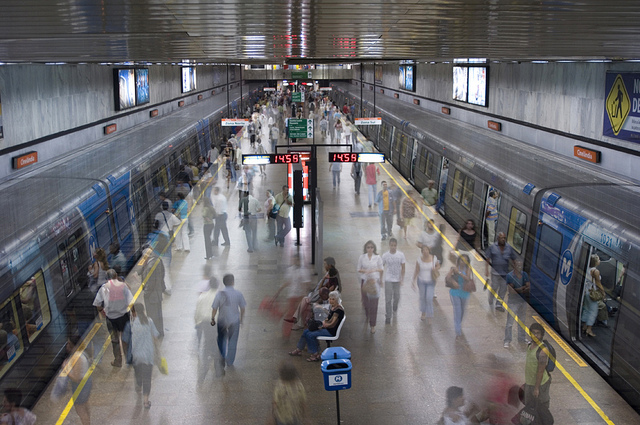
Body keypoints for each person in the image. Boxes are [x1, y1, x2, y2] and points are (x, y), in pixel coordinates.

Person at [288, 290, 344, 361]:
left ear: (336, 300)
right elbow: (328, 318)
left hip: (330, 331)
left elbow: (332, 324)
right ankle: (299, 349)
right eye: (330, 298)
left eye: (332, 299)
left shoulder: (338, 311)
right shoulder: (333, 307)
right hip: (326, 328)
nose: (330, 300)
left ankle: (315, 354)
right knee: (306, 332)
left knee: (310, 335)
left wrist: (323, 325)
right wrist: (324, 321)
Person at [92, 269, 133, 367]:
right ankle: (129, 359)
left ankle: (118, 361)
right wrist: (134, 312)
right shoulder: (123, 286)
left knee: (114, 340)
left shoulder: (103, 288)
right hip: (123, 317)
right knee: (125, 337)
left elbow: (97, 304)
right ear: (116, 276)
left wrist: (102, 311)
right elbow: (130, 301)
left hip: (111, 318)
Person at [290, 257, 340, 329]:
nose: (324, 266)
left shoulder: (332, 282)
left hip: (321, 299)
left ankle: (297, 320)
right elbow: (320, 288)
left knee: (305, 301)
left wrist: (324, 281)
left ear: (329, 265)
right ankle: (298, 321)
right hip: (319, 295)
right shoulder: (328, 276)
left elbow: (326, 294)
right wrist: (323, 279)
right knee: (304, 301)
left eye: (325, 264)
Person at [211, 274, 246, 371]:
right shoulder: (238, 294)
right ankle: (230, 361)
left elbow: (214, 308)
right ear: (233, 282)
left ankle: (221, 355)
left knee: (221, 339)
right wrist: (241, 319)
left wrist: (213, 318)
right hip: (234, 321)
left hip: (222, 321)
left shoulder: (219, 294)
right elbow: (242, 308)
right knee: (233, 341)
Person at [54, 334, 91, 425]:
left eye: (69, 343)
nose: (67, 345)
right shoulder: (82, 353)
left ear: (74, 345)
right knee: (84, 406)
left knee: (80, 410)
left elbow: (76, 379)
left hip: (80, 388)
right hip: (86, 384)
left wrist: (66, 369)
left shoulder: (77, 357)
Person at [129, 304, 159, 409]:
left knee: (138, 374)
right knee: (147, 378)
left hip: (136, 355)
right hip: (148, 355)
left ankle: (138, 385)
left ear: (134, 313)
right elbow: (155, 336)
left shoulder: (132, 324)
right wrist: (157, 350)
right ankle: (146, 401)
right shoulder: (149, 321)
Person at [275, 255, 312, 338]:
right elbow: (288, 281)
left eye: (296, 260)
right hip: (292, 294)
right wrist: (279, 290)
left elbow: (306, 284)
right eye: (293, 260)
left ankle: (306, 333)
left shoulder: (304, 271)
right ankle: (286, 333)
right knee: (290, 314)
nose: (294, 261)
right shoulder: (290, 270)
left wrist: (304, 296)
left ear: (299, 261)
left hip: (301, 296)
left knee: (304, 314)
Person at [524, 323, 553, 423]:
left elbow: (540, 371)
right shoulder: (529, 345)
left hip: (540, 384)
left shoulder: (543, 351)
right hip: (530, 382)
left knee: (542, 407)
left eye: (538, 333)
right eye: (533, 333)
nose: (535, 335)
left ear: (542, 335)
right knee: (529, 405)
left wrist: (536, 388)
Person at [195, 275, 222, 381]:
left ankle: (204, 368)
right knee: (216, 343)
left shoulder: (202, 296)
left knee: (207, 343)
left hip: (205, 323)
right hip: (217, 323)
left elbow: (197, 312)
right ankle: (218, 368)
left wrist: (197, 322)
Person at [485, 232, 517, 312]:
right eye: (501, 238)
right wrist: (486, 270)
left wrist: (515, 270)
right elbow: (488, 259)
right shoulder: (492, 247)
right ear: (497, 239)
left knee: (503, 289)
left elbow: (514, 259)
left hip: (505, 273)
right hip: (495, 272)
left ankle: (499, 304)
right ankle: (491, 297)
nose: (503, 239)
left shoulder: (509, 248)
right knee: (495, 286)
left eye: (504, 238)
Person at [446, 255, 476, 338]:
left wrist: (459, 272)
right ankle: (458, 331)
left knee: (462, 311)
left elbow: (467, 278)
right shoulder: (453, 268)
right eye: (462, 260)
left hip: (465, 292)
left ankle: (459, 324)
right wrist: (452, 281)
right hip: (455, 292)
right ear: (459, 260)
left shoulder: (468, 269)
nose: (463, 262)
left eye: (465, 261)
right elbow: (447, 278)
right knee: (457, 311)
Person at [357, 241, 384, 334]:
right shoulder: (362, 257)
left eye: (372, 247)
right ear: (366, 248)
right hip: (365, 281)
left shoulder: (377, 257)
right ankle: (367, 313)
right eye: (368, 247)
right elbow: (358, 269)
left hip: (374, 281)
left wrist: (376, 271)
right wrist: (365, 271)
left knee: (374, 304)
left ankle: (373, 324)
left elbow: (381, 269)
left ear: (374, 248)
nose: (370, 249)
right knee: (365, 302)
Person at [504, 259, 530, 348]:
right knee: (510, 323)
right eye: (518, 265)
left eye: (520, 265)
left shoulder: (525, 274)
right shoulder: (509, 276)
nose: (519, 266)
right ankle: (507, 340)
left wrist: (517, 289)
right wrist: (523, 288)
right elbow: (512, 292)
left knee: (522, 322)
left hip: (523, 302)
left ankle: (522, 338)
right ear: (514, 266)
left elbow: (528, 288)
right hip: (513, 302)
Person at [140, 248, 166, 338]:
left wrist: (146, 293)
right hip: (158, 293)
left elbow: (150, 283)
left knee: (152, 315)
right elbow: (163, 273)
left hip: (151, 296)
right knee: (158, 314)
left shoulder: (150, 266)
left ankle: (156, 333)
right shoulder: (158, 260)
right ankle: (160, 331)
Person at [412, 245, 440, 323]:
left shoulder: (433, 258)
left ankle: (430, 314)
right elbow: (417, 270)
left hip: (431, 281)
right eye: (423, 250)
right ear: (422, 252)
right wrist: (413, 281)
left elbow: (438, 265)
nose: (425, 251)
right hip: (421, 281)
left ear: (429, 250)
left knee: (429, 297)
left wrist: (435, 268)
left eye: (426, 250)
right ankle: (423, 312)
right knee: (422, 297)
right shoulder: (419, 260)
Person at [382, 238, 406, 325]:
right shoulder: (385, 255)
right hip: (388, 279)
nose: (393, 247)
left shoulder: (400, 255)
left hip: (397, 280)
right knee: (388, 299)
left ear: (396, 246)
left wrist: (402, 279)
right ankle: (388, 316)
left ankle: (395, 306)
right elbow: (381, 266)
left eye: (394, 245)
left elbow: (403, 267)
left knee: (397, 297)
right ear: (389, 245)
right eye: (391, 245)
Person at [581, 254, 605, 338]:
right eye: (598, 259)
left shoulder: (587, 268)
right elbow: (598, 283)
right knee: (593, 311)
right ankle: (589, 329)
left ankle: (584, 326)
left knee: (587, 309)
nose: (600, 261)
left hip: (586, 292)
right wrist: (603, 292)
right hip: (592, 293)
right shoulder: (595, 271)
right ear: (595, 262)